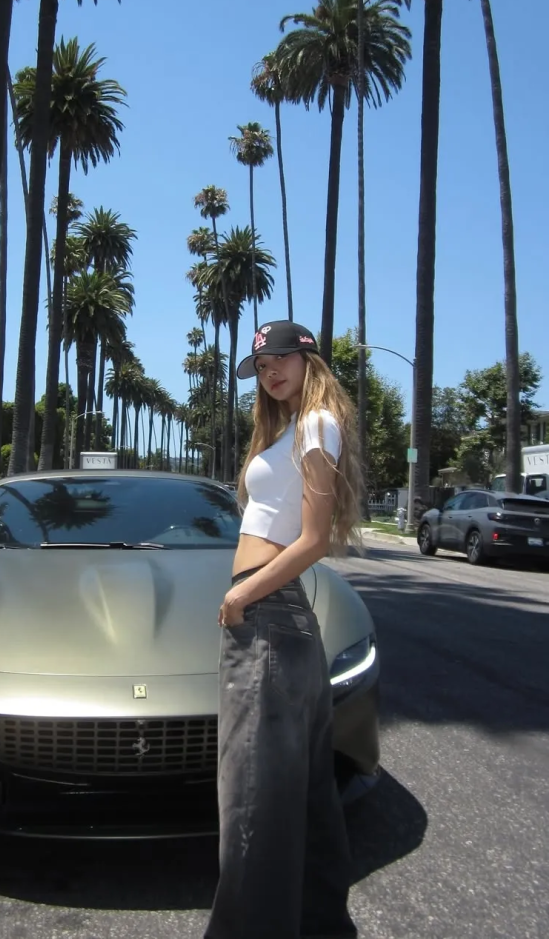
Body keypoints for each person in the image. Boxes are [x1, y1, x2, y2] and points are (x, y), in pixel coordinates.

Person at [204, 320, 362, 939]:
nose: (269, 372)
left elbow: (315, 539)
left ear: (308, 360)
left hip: (267, 612)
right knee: (304, 794)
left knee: (250, 799)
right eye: (261, 366)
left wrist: (242, 594)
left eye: (279, 360)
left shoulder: (317, 424)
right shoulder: (292, 430)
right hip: (278, 615)